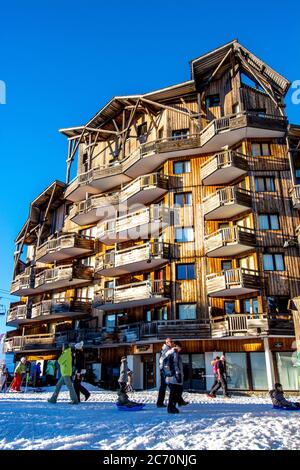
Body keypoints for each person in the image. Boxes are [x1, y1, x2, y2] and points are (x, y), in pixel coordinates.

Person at [164, 341, 184, 414]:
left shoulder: (170, 352)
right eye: (180, 347)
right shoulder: (174, 352)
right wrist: (178, 374)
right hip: (174, 376)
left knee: (175, 392)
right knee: (175, 392)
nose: (180, 349)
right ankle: (171, 408)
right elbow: (175, 364)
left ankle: (172, 407)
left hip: (170, 376)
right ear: (177, 346)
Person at [156, 337, 173, 408]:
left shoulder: (167, 349)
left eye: (171, 341)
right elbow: (161, 360)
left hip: (165, 371)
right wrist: (164, 369)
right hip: (165, 372)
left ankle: (159, 403)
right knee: (171, 387)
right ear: (167, 342)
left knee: (163, 387)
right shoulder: (165, 349)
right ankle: (176, 402)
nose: (171, 343)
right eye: (170, 341)